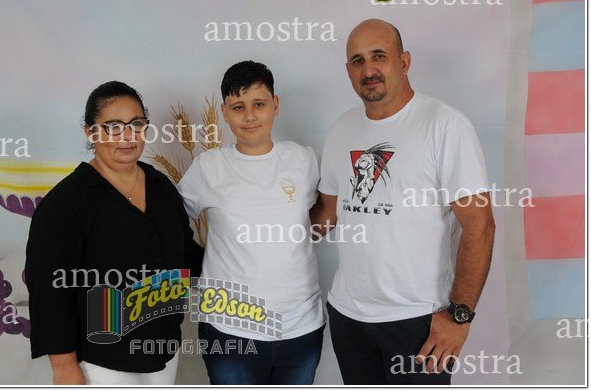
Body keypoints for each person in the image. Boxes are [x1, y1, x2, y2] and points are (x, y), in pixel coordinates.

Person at [311, 19, 496, 385]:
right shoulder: (341, 129)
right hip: (348, 317)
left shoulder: (445, 125)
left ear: (404, 61)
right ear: (348, 70)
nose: (368, 70)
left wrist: (460, 317)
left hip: (418, 322)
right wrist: (264, 213)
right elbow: (327, 216)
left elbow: (481, 226)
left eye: (378, 56)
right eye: (358, 61)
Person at [25, 81, 204, 385]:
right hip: (102, 361)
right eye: (113, 127)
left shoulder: (161, 187)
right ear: (91, 132)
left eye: (136, 124)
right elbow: (49, 291)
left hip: (163, 351)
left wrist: (238, 260)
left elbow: (184, 253)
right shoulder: (67, 203)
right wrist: (64, 366)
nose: (127, 136)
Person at [177, 61, 325, 385]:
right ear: (224, 112)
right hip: (229, 330)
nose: (249, 116)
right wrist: (198, 263)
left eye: (259, 104)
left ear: (275, 105)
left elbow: (333, 207)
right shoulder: (208, 167)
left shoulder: (306, 160)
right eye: (238, 107)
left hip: (300, 327)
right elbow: (169, 222)